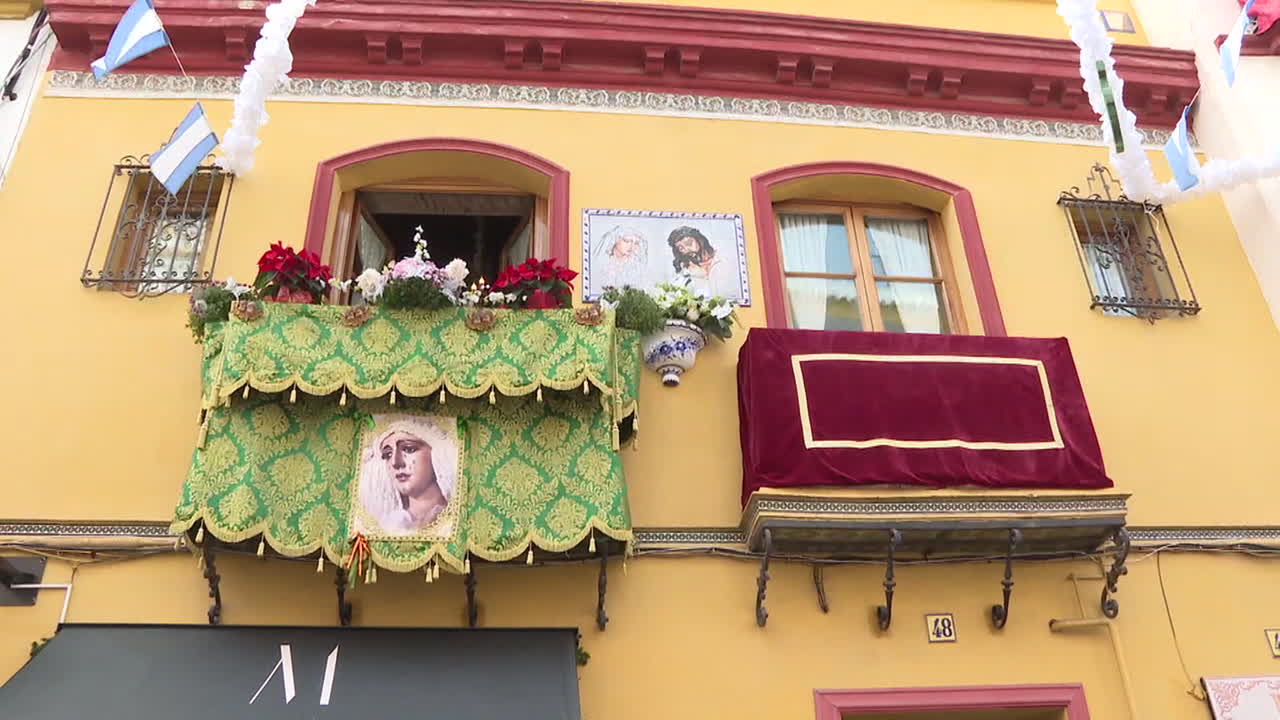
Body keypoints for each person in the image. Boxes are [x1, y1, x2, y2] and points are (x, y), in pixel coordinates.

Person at [358, 416, 458, 536]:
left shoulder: (454, 518)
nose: (396, 462)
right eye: (388, 454)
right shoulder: (390, 525)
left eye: (409, 449)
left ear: (436, 454)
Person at [666, 225, 737, 298]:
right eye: (681, 248)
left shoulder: (721, 259)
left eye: (689, 243)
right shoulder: (686, 270)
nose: (686, 249)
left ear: (699, 240)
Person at [594, 225, 648, 293]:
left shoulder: (638, 269)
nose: (632, 246)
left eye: (636, 243)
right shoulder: (604, 267)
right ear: (616, 240)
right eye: (627, 241)